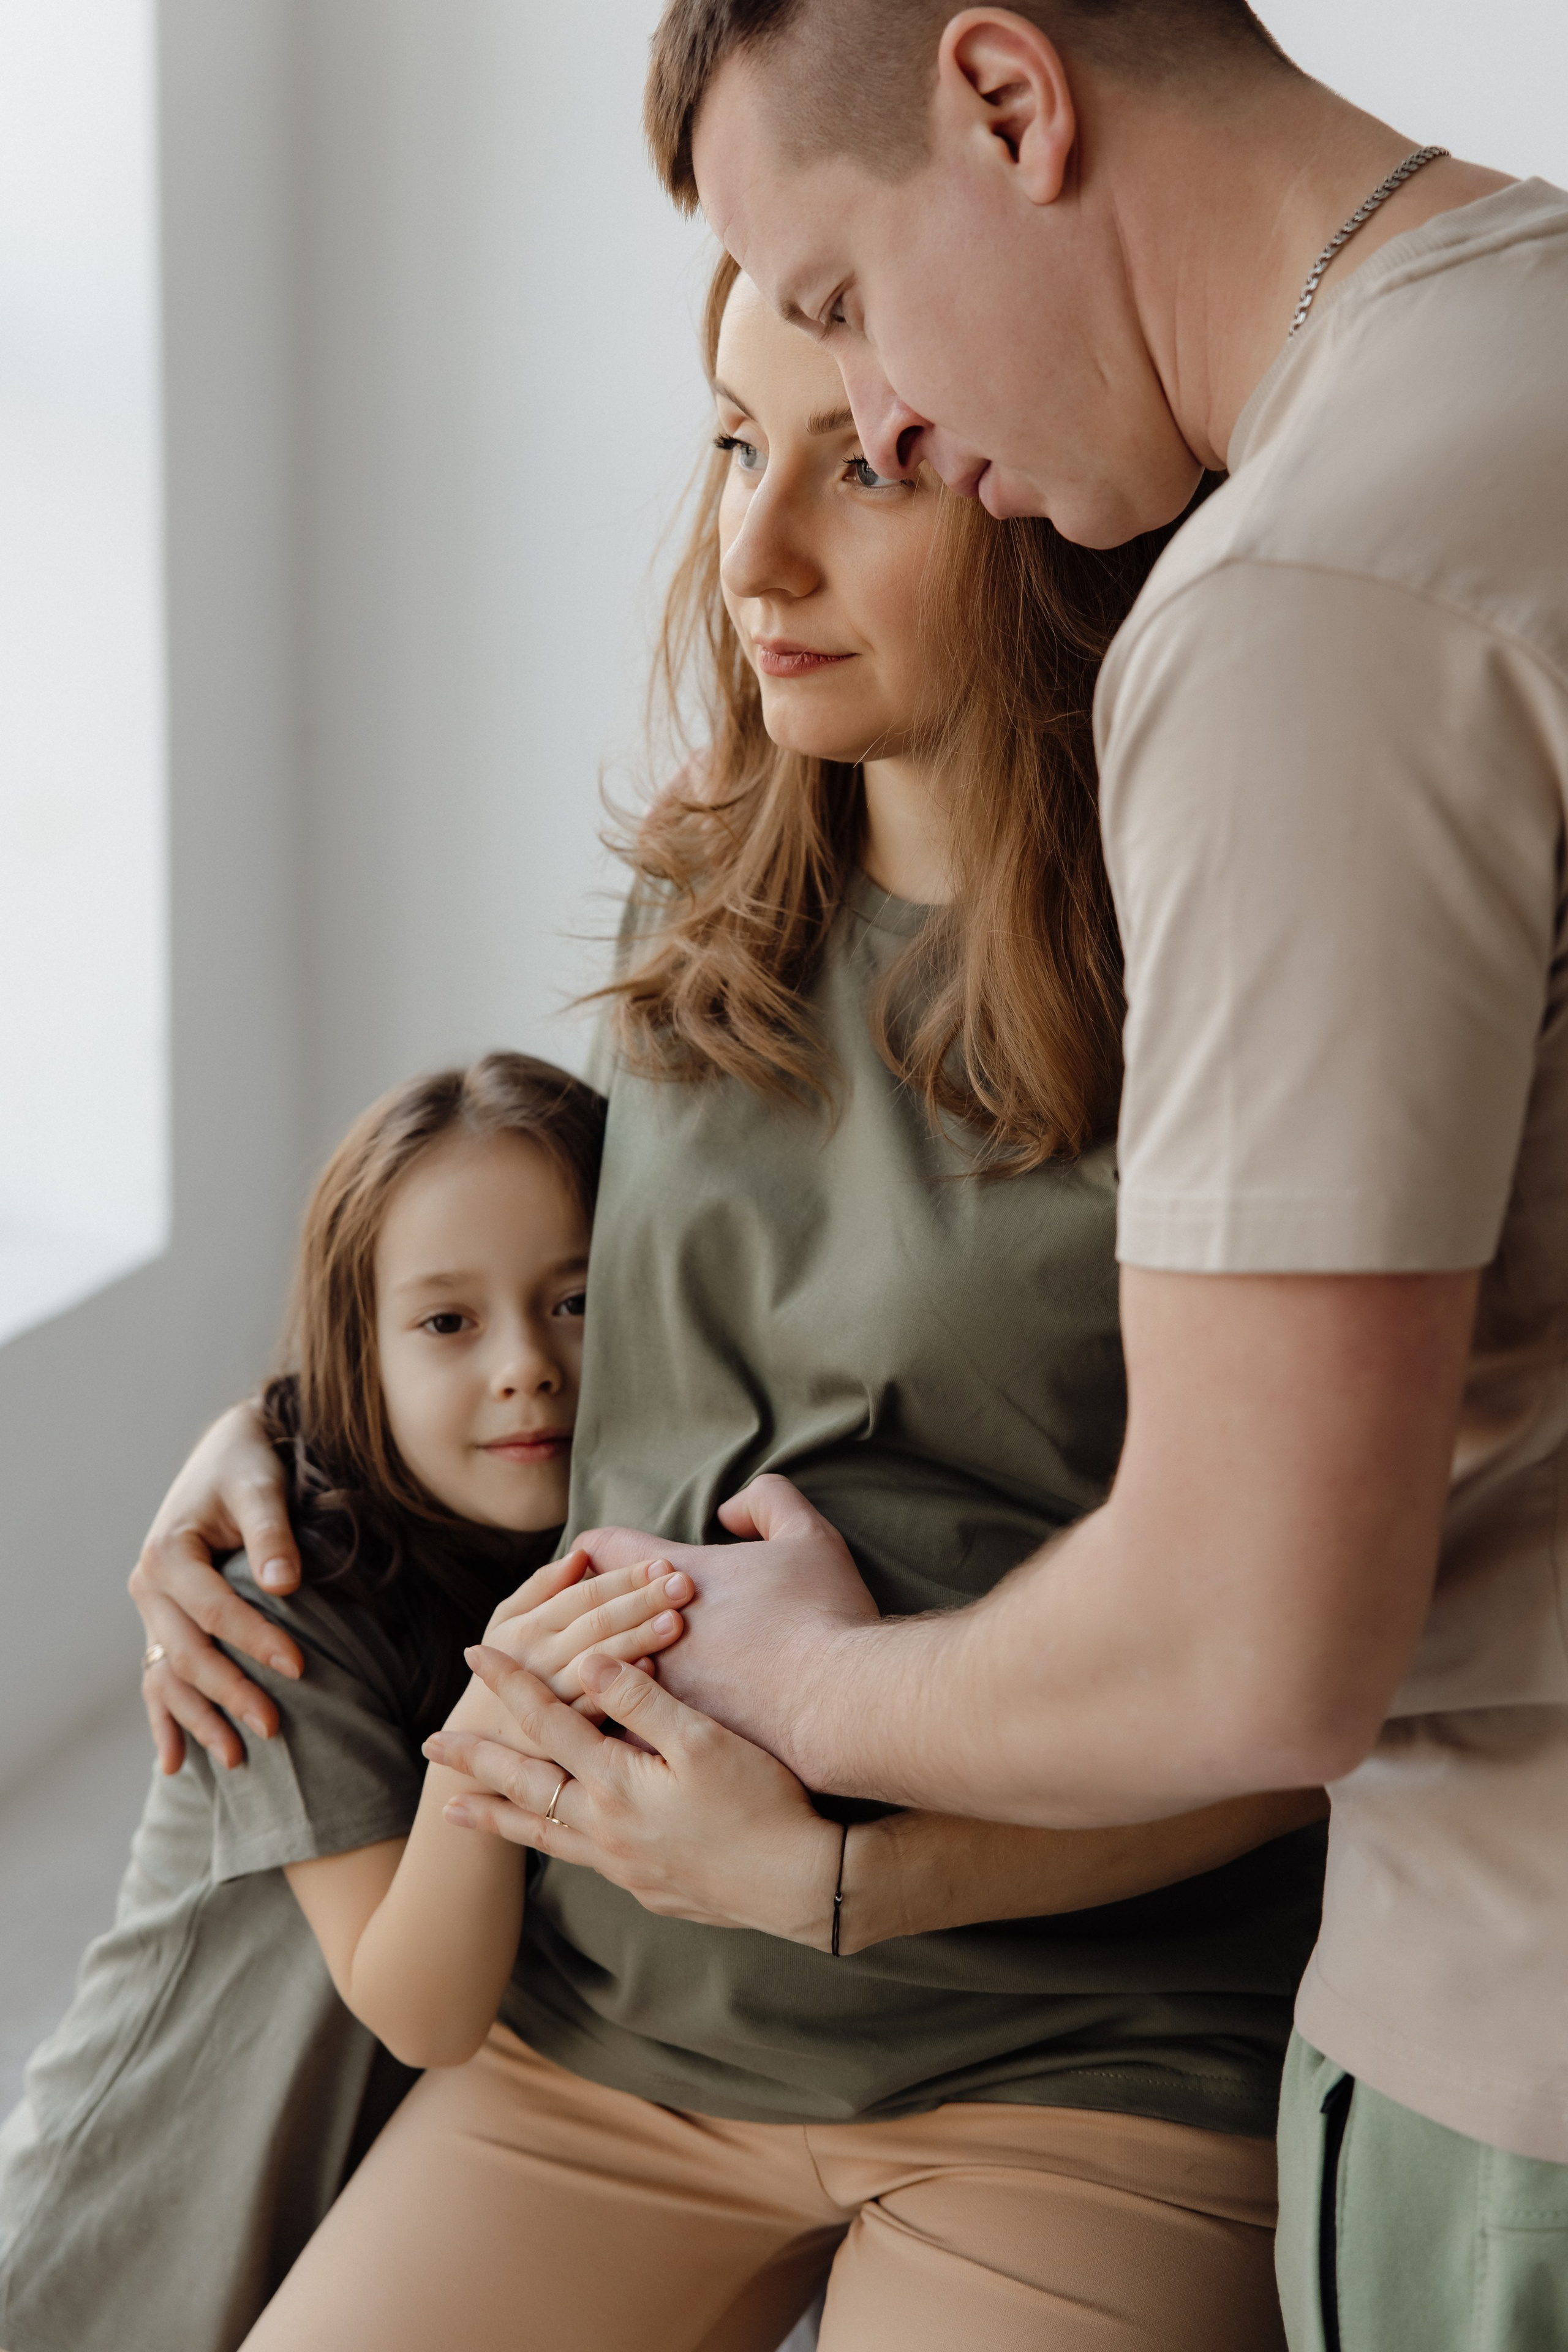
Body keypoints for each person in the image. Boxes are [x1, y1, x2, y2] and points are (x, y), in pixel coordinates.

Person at [129, 252, 1323, 2352]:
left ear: (1040, 489)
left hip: (1090, 2061)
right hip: (620, 2023)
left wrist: (855, 1881)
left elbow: (1321, 1683)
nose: (750, 554)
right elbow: (599, 1317)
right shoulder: (713, 879)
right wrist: (287, 1433)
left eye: (861, 468)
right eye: (731, 446)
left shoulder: (1244, 968)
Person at [506, 7, 1560, 2350]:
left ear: (1011, 96)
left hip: (1485, 2024)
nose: (871, 420)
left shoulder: (1307, 605)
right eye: (742, 424)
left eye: (856, 301)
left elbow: (1256, 1648)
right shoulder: (1528, 347)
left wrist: (818, 1724)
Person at [0, 1051, 695, 2352]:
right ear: (353, 1351)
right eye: (447, 1322)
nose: (525, 1367)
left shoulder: (607, 1543)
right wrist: (488, 1735)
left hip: (382, 2215)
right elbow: (421, 2006)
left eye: (577, 1300)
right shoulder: (285, 1603)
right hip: (143, 2221)